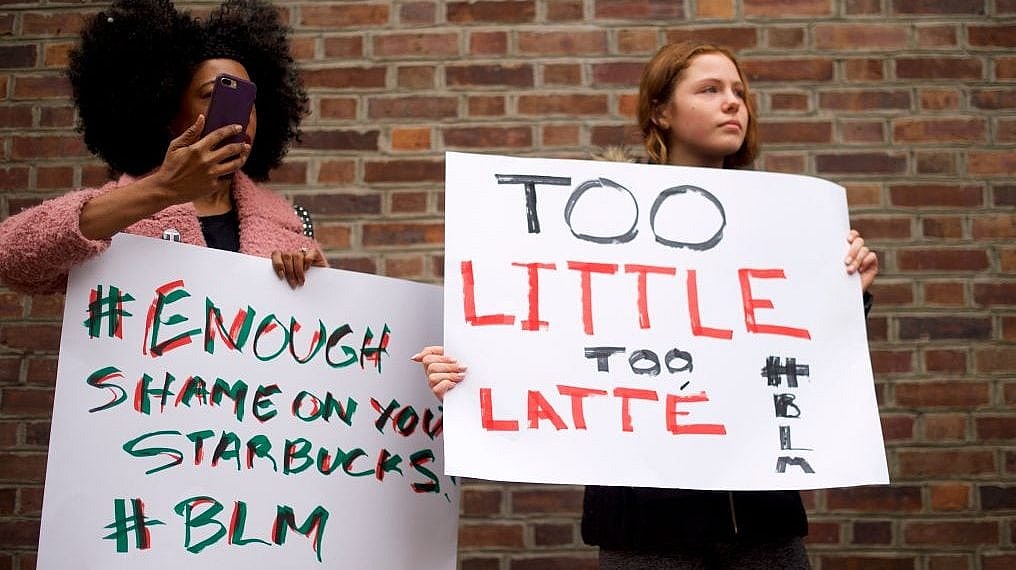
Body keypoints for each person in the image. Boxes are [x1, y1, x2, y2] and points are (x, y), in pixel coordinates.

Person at [414, 41, 879, 569]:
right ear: (660, 111)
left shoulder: (780, 227)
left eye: (739, 92)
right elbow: (548, 337)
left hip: (760, 522)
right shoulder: (595, 222)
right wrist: (469, 365)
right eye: (710, 90)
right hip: (645, 527)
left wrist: (847, 297)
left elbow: (802, 360)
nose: (733, 103)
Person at [0, 0, 324, 294]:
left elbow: (318, 326)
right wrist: (164, 189)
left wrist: (315, 284)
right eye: (212, 95)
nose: (241, 116)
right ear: (168, 113)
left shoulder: (292, 224)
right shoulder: (117, 216)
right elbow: (11, 257)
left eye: (248, 100)